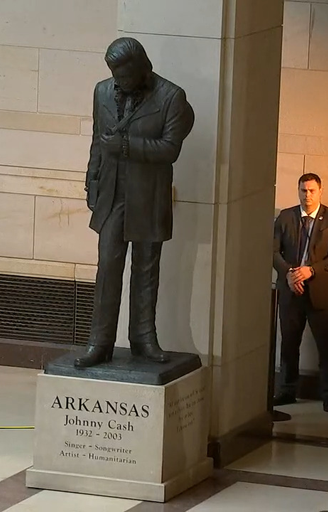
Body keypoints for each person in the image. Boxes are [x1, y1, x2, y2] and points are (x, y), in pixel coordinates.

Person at [74, 37, 195, 368]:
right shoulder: (102, 91)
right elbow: (98, 143)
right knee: (107, 268)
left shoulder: (171, 97)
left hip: (149, 196)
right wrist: (92, 182)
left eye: (125, 76)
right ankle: (99, 341)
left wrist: (126, 146)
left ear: (144, 68)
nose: (119, 82)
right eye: (115, 75)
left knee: (146, 270)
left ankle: (143, 338)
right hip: (112, 194)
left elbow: (170, 149)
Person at [273, 173, 328, 412]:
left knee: (326, 346)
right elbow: (273, 252)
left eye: (312, 191)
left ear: (320, 191)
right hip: (290, 292)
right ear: (298, 191)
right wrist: (289, 273)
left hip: (321, 294)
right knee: (288, 344)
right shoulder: (285, 217)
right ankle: (286, 390)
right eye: (303, 191)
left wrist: (310, 271)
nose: (307, 195)